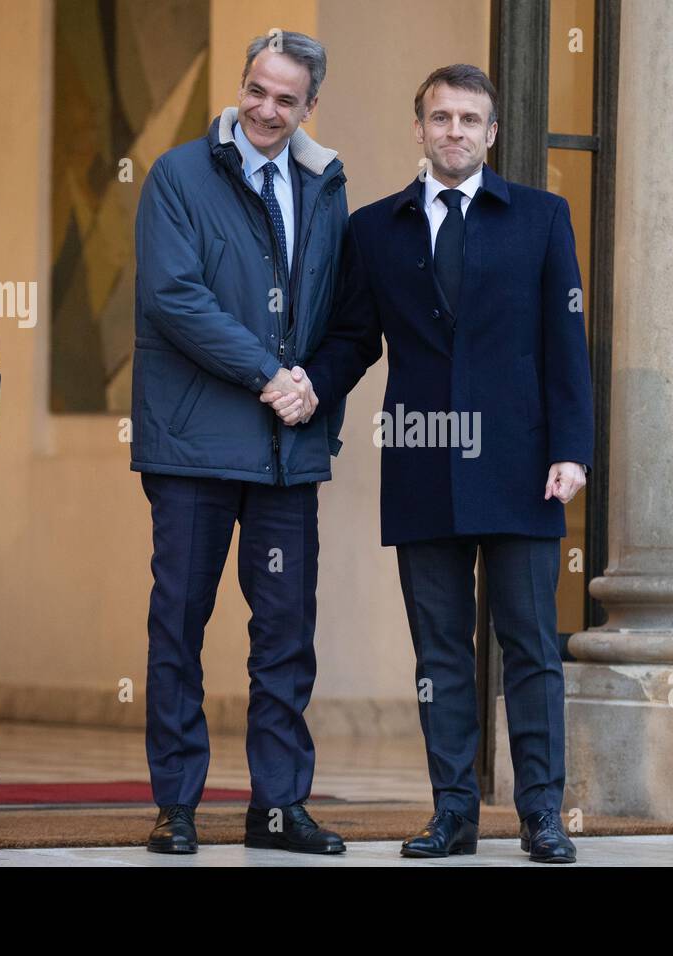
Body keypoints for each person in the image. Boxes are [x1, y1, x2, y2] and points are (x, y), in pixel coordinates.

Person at [269, 64, 593, 863]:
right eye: (440, 118)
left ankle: (541, 814)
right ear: (420, 129)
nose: (455, 131)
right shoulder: (376, 228)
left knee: (531, 647)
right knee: (440, 652)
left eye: (469, 119)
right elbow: (354, 338)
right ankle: (454, 814)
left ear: (491, 134)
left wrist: (572, 450)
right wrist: (311, 384)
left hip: (522, 466)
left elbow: (566, 345)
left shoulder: (543, 218)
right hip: (421, 462)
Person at [131, 30, 348, 855]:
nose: (265, 109)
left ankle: (280, 806)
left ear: (308, 107)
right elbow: (173, 299)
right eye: (256, 90)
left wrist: (314, 383)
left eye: (285, 100)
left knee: (286, 635)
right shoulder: (179, 175)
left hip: (288, 455)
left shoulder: (323, 184)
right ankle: (177, 805)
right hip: (192, 448)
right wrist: (273, 375)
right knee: (178, 625)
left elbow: (337, 314)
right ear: (241, 84)